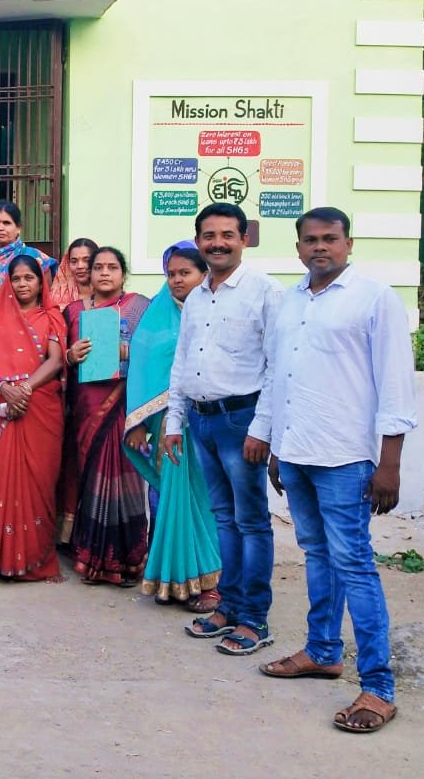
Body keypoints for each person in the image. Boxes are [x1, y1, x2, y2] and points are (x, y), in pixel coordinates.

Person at [258, 208, 417, 734]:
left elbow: (395, 381)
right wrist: (277, 445)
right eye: (310, 240)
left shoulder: (374, 298)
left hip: (346, 456)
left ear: (349, 244)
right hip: (296, 452)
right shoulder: (291, 301)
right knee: (316, 553)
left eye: (330, 238)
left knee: (354, 564)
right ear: (298, 247)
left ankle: (378, 688)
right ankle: (323, 651)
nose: (320, 247)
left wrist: (389, 462)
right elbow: (278, 377)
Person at [162, 202, 284, 655]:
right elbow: (182, 361)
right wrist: (175, 421)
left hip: (242, 422)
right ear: (198, 241)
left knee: (251, 522)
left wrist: (262, 429)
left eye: (227, 235)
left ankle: (254, 618)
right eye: (209, 236)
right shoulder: (196, 296)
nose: (218, 243)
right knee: (223, 519)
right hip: (201, 420)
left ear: (244, 239)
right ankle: (228, 606)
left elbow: (277, 367)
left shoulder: (265, 292)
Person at [122, 241, 222, 609]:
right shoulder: (157, 315)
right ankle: (178, 579)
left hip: (215, 421)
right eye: (171, 274)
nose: (177, 280)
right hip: (171, 426)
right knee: (173, 500)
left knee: (210, 500)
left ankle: (214, 582)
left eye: (186, 273)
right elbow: (142, 367)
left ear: (204, 274)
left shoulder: (218, 312)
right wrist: (138, 421)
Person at [0, 255, 67, 581]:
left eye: (30, 278)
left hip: (41, 408)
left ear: (41, 283)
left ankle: (39, 560)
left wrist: (24, 389)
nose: (23, 284)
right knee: (8, 484)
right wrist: (5, 389)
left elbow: (55, 361)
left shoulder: (52, 316)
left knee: (41, 483)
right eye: (17, 278)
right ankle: (7, 560)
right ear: (9, 283)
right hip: (6, 409)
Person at [62, 246, 151, 585]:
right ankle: (91, 557)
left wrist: (131, 351)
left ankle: (127, 559)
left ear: (123, 273)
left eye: (112, 267)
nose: (104, 273)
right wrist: (70, 356)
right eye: (98, 267)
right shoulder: (73, 311)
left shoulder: (140, 307)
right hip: (86, 408)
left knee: (124, 478)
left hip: (123, 406)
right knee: (90, 476)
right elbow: (58, 359)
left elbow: (157, 352)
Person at [0, 199, 59, 307]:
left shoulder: (34, 257)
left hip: (19, 316)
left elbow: (45, 299)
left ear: (18, 228)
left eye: (7, 223)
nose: (0, 228)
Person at [50, 237, 98, 307]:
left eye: (86, 260)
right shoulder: (55, 298)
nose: (80, 266)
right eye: (74, 261)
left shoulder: (108, 295)